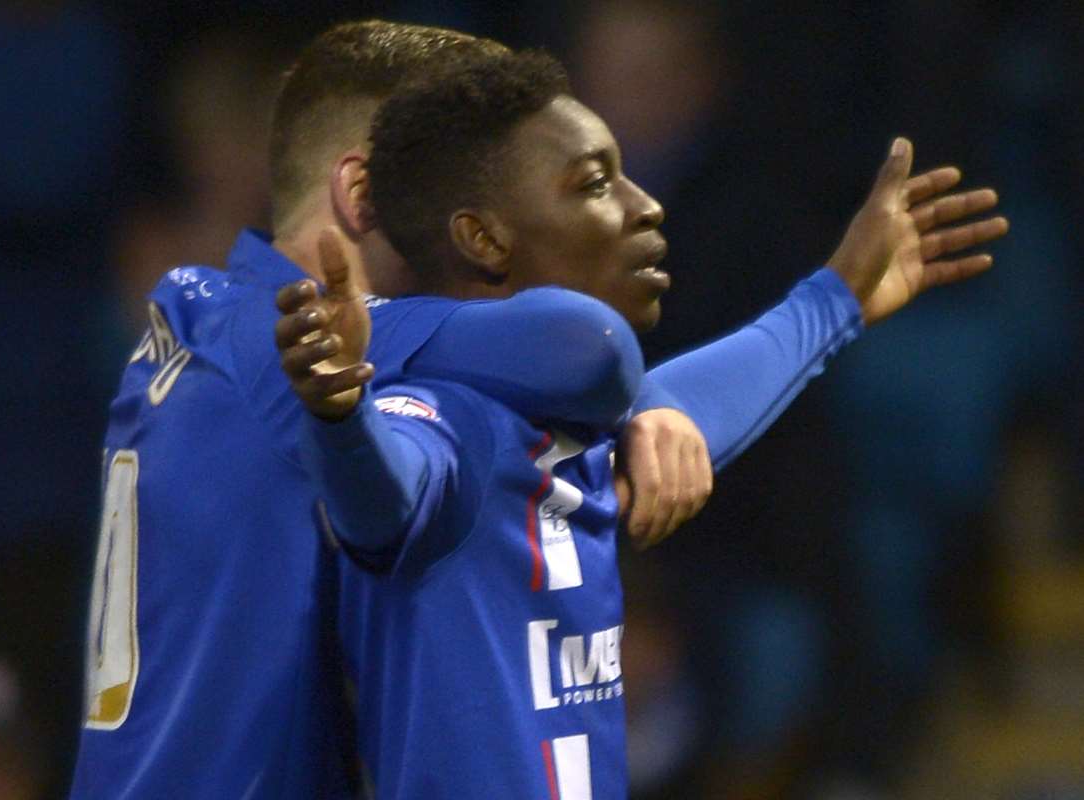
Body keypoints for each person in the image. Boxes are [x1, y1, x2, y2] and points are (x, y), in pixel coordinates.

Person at [279, 48, 1006, 798]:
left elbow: (698, 394)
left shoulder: (550, 424)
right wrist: (340, 417)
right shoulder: (437, 414)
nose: (644, 203)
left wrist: (836, 297)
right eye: (595, 183)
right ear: (483, 239)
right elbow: (383, 496)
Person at [69, 21, 717, 799]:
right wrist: (640, 402)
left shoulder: (199, 321)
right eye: (461, 184)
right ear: (365, 194)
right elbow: (585, 344)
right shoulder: (283, 354)